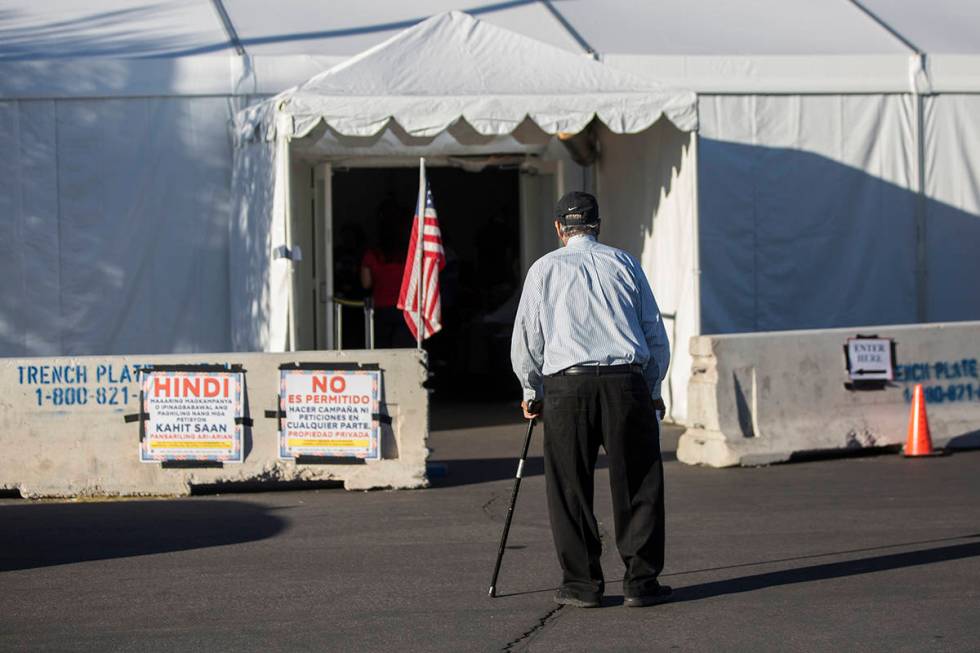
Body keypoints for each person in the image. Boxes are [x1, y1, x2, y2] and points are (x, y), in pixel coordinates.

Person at [510, 191, 671, 609]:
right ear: (598, 224)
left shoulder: (543, 269)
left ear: (559, 228)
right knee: (638, 482)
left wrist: (532, 390)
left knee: (569, 487)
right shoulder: (624, 263)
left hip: (568, 386)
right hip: (625, 382)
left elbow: (528, 337)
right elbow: (653, 332)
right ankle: (641, 582)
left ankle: (582, 584)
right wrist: (653, 389)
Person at [361, 198, 416, 348]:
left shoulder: (371, 255)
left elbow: (366, 284)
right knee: (404, 352)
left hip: (381, 308)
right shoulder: (410, 255)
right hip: (406, 308)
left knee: (382, 351)